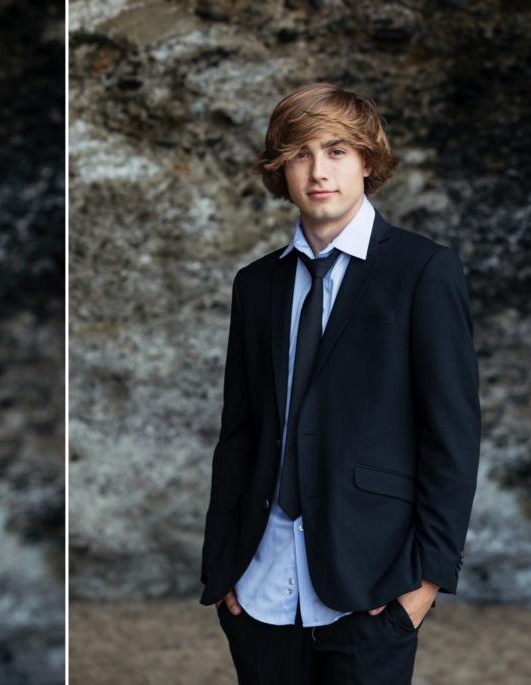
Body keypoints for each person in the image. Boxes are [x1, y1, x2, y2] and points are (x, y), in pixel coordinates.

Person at [200, 83, 480, 684]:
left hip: (374, 586)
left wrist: (425, 585)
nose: (318, 170)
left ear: (368, 162)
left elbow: (451, 435)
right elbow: (240, 432)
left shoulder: (423, 271)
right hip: (261, 584)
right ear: (281, 168)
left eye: (336, 151)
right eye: (300, 153)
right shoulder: (257, 285)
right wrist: (223, 573)